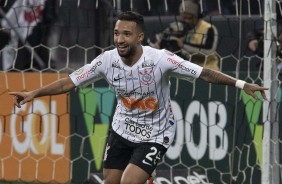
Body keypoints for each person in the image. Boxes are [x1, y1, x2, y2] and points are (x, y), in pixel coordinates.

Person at [9, 11, 268, 184]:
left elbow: (204, 74)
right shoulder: (106, 61)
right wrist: (34, 93)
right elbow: (69, 81)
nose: (119, 40)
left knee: (128, 182)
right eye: (116, 34)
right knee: (111, 181)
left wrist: (241, 83)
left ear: (140, 37)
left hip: (155, 134)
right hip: (121, 130)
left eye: (126, 34)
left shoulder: (161, 60)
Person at [148, 0, 220, 71]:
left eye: (188, 18)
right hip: (188, 71)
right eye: (183, 17)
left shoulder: (208, 28)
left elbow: (209, 51)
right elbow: (154, 38)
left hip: (208, 70)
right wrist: (157, 44)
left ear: (196, 16)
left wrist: (183, 45)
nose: (185, 20)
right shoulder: (178, 26)